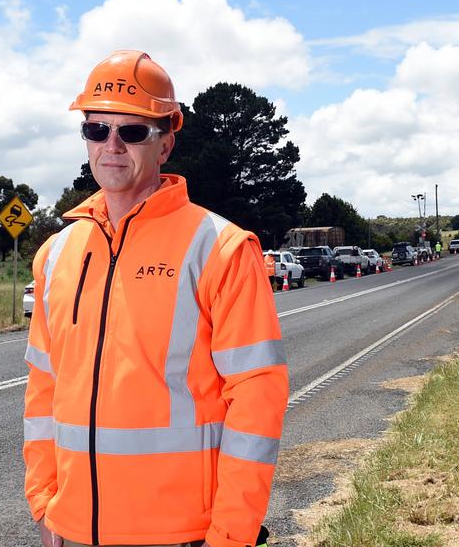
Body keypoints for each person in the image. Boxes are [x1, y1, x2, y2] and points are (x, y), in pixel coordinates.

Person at [23, 50, 287, 547]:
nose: (113, 146)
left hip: (184, 534)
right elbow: (43, 389)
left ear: (165, 142)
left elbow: (256, 400)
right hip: (74, 530)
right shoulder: (55, 254)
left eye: (134, 131)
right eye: (97, 130)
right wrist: (44, 501)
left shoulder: (222, 249)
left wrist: (232, 534)